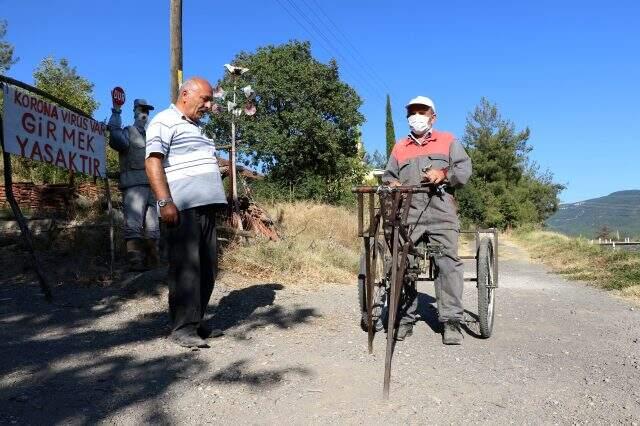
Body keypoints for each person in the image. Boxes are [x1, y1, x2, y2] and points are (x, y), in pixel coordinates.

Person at [382, 96, 472, 345]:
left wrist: (444, 174)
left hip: (441, 210)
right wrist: (393, 184)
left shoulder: (448, 141)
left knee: (447, 264)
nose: (416, 116)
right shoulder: (400, 147)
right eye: (412, 112)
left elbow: (464, 171)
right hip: (409, 213)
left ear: (433, 116)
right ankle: (406, 317)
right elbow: (388, 176)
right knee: (403, 264)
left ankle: (451, 320)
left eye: (422, 111)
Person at [145, 77, 227, 348]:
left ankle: (197, 320)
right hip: (182, 207)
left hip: (205, 208)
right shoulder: (164, 121)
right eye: (204, 99)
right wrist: (164, 202)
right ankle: (183, 328)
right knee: (186, 269)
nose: (208, 104)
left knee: (207, 268)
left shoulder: (197, 127)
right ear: (185, 95)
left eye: (210, 99)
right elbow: (153, 161)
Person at [108, 98, 160, 271]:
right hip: (134, 185)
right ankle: (135, 262)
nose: (145, 113)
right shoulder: (128, 131)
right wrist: (116, 111)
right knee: (133, 224)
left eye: (147, 110)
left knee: (153, 226)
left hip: (153, 186)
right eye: (142, 109)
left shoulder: (152, 136)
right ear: (135, 111)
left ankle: (154, 260)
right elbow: (115, 138)